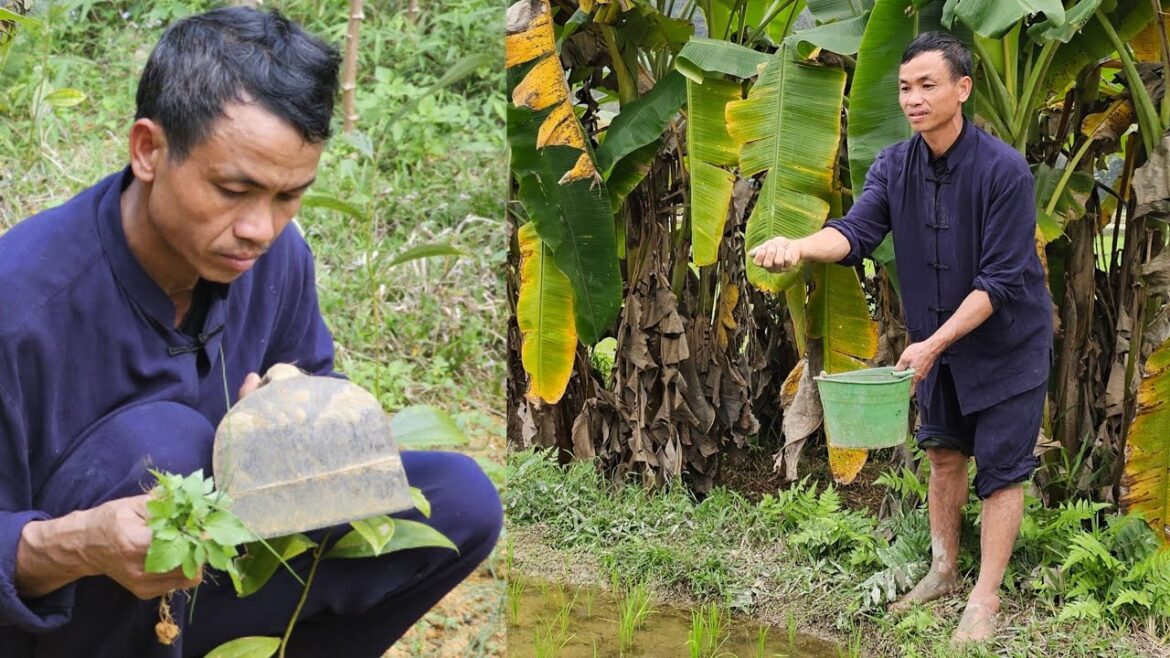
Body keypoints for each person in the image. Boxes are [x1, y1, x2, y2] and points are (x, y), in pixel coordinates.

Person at [0, 7, 502, 657]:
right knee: (164, 450)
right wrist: (78, 544)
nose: (260, 229)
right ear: (149, 150)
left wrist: (297, 405)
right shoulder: (21, 305)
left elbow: (315, 394)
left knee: (460, 502)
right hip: (62, 621)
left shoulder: (273, 257)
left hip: (202, 584)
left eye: (288, 196)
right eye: (233, 189)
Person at [750, 32, 1051, 643]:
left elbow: (998, 282)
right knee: (942, 453)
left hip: (1006, 344)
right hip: (935, 345)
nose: (913, 99)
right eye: (905, 88)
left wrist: (933, 343)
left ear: (962, 89)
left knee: (1002, 470)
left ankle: (985, 598)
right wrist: (799, 246)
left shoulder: (1004, 172)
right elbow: (855, 232)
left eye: (927, 85)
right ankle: (943, 570)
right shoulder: (893, 166)